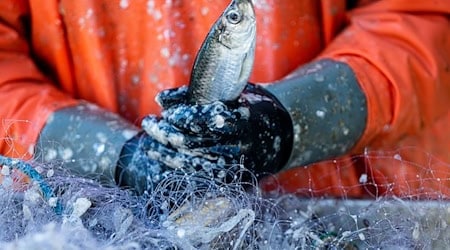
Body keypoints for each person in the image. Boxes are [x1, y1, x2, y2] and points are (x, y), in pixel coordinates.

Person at [0, 0, 449, 198]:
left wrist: (289, 120)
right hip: (90, 219)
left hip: (351, 208)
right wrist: (118, 156)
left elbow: (420, 23)